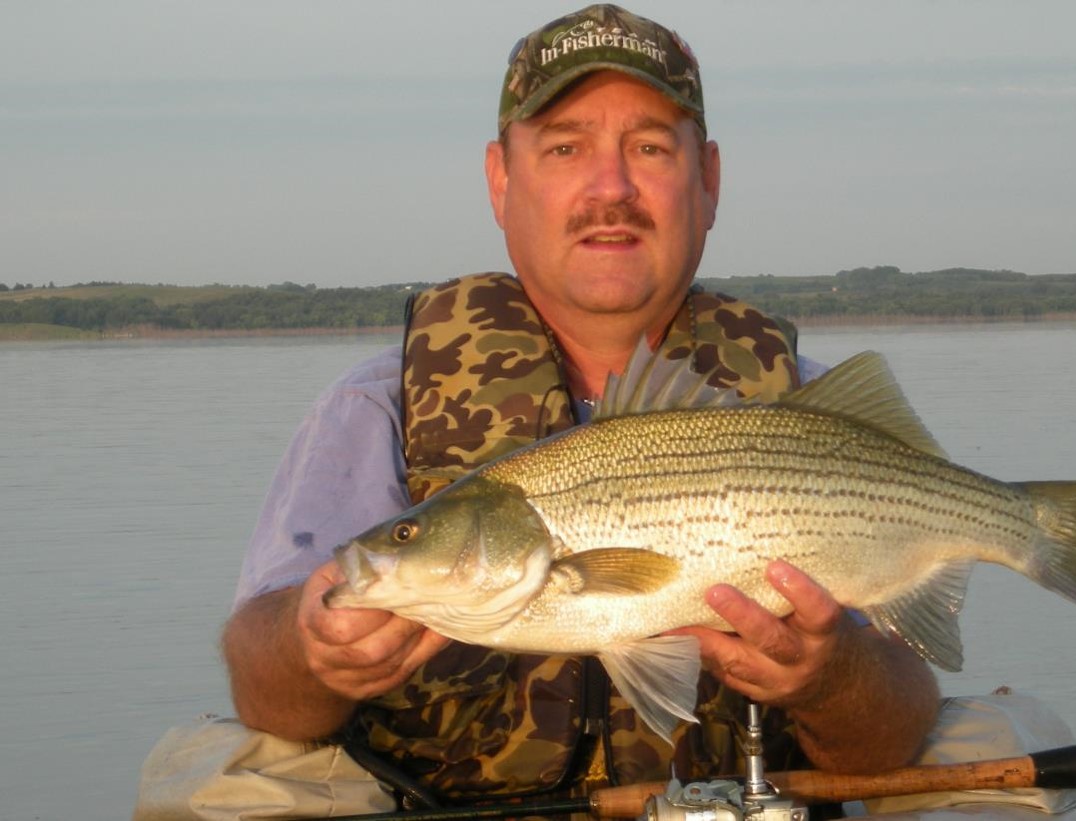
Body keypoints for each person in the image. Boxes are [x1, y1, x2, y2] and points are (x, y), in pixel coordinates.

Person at [217, 3, 939, 813]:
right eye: (565, 146)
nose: (610, 187)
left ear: (708, 181)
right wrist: (311, 649)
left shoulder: (807, 409)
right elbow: (265, 698)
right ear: (500, 178)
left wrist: (834, 672)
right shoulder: (377, 407)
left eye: (650, 147)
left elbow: (888, 739)